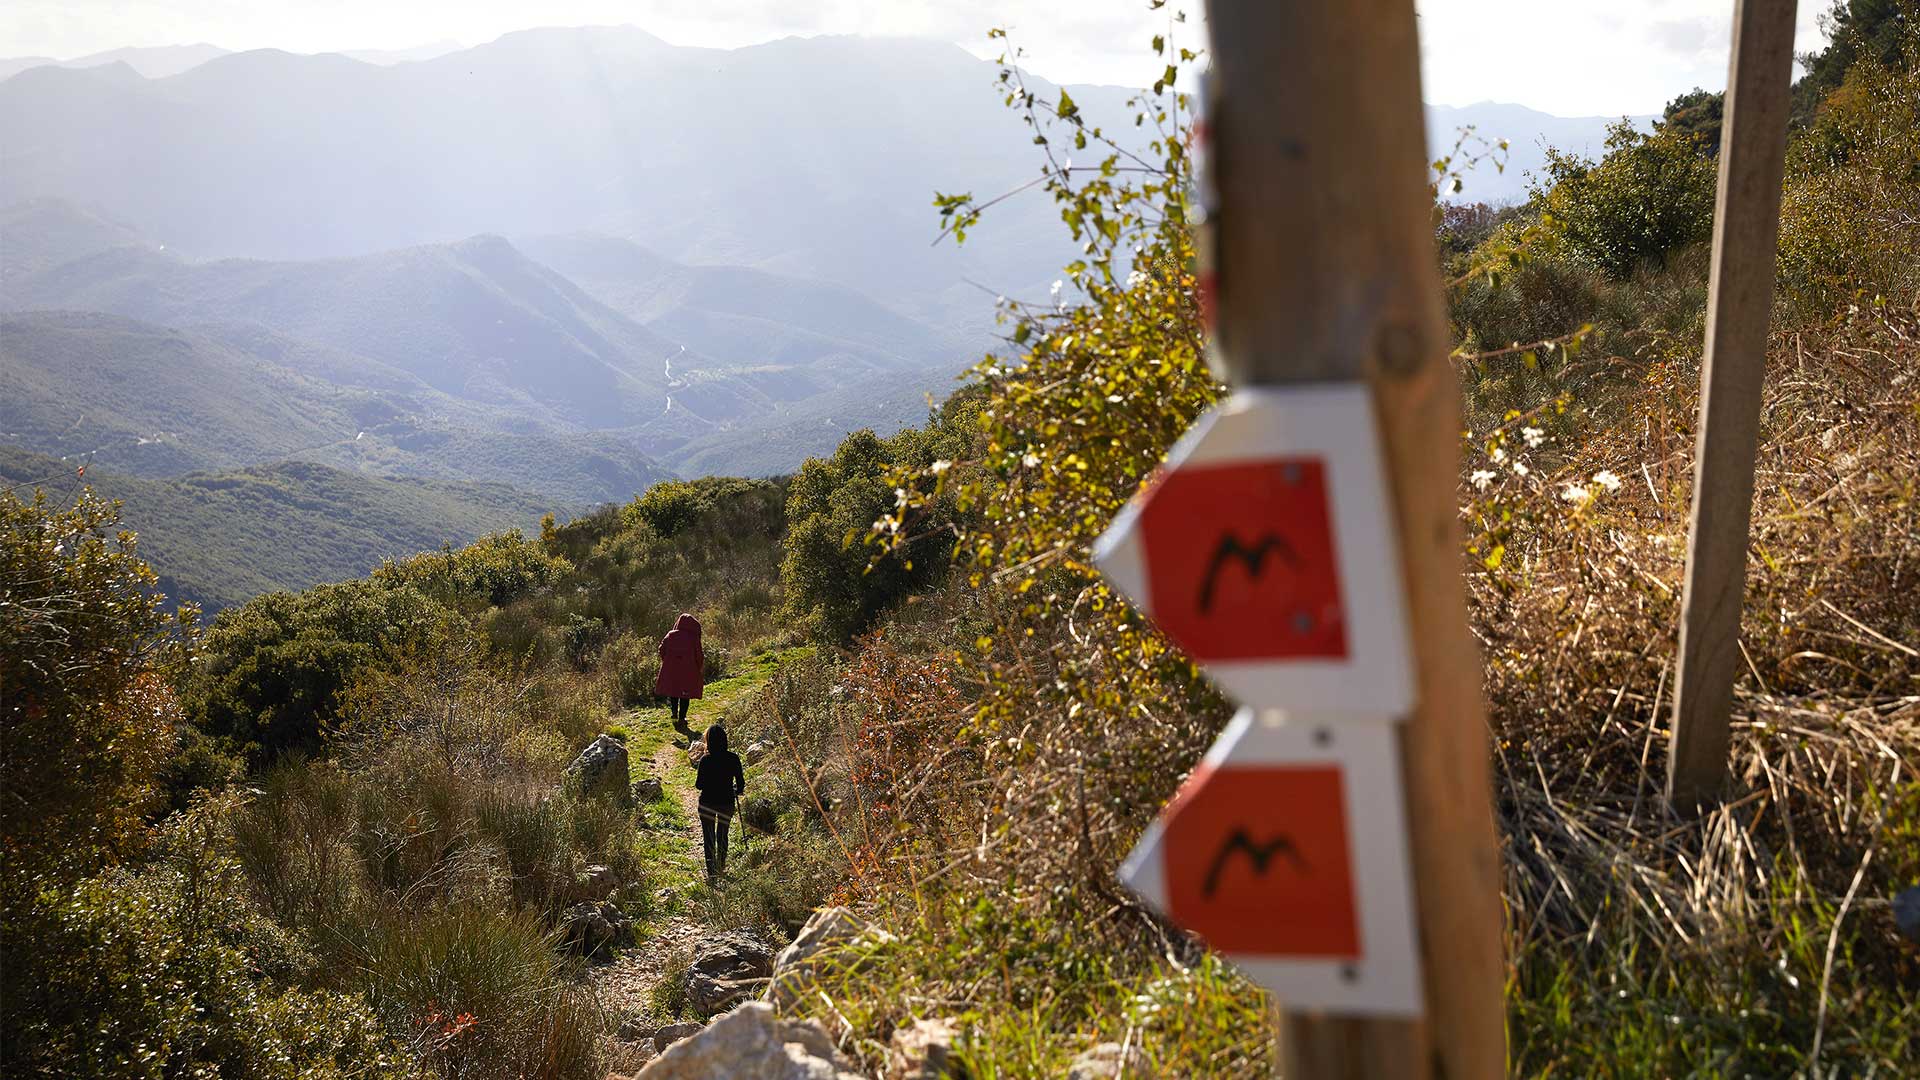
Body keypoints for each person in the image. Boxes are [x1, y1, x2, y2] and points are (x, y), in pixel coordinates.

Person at [694, 723, 746, 882]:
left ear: (709, 741)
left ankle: (712, 874)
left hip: (707, 803)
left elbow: (699, 785)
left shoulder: (705, 760)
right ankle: (721, 867)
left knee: (708, 837)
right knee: (722, 835)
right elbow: (741, 784)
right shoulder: (733, 758)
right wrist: (735, 789)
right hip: (726, 802)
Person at [655, 612, 704, 731]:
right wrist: (698, 667)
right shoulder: (693, 637)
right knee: (685, 694)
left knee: (673, 691)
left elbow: (661, 649)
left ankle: (674, 714)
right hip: (688, 670)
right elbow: (699, 655)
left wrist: (667, 661)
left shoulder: (671, 635)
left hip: (672, 669)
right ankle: (682, 718)